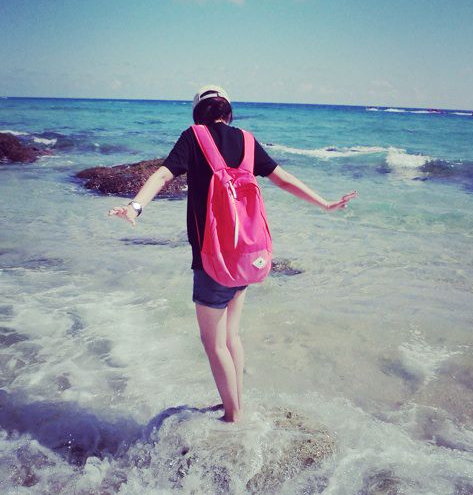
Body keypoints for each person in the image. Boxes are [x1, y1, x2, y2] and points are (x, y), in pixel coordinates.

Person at [109, 85, 357, 422]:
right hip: (245, 255)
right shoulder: (248, 141)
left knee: (213, 343)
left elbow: (163, 174)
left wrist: (135, 207)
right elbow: (283, 179)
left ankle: (232, 414)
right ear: (228, 111)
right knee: (232, 337)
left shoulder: (194, 136)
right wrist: (325, 203)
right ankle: (235, 401)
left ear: (198, 112)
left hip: (212, 259)